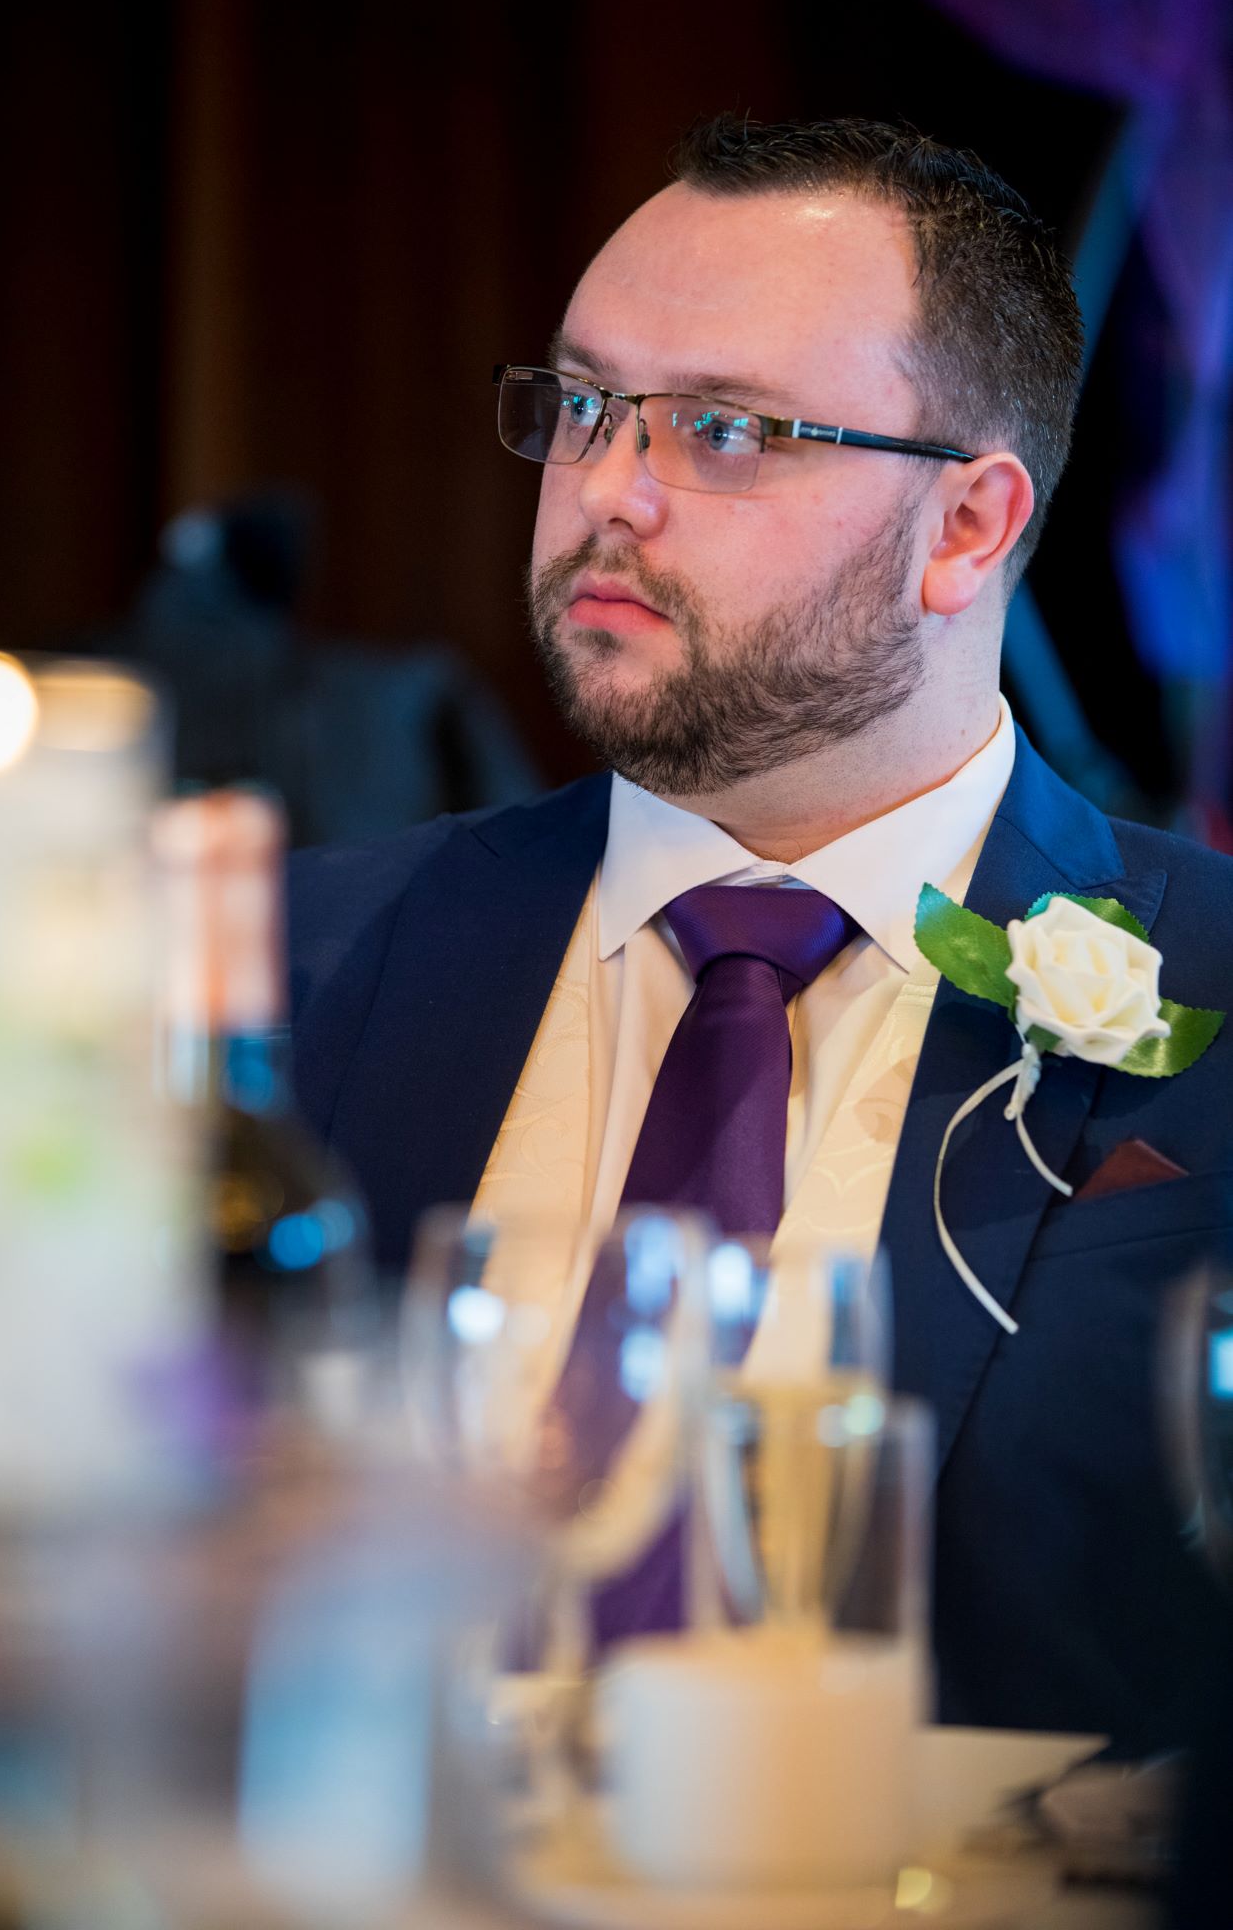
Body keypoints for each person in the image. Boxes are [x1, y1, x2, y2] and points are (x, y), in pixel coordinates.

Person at [288, 117, 1232, 1747]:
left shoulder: (1211, 984)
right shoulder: (293, 969)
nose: (605, 494)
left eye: (721, 431)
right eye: (583, 407)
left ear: (967, 528)